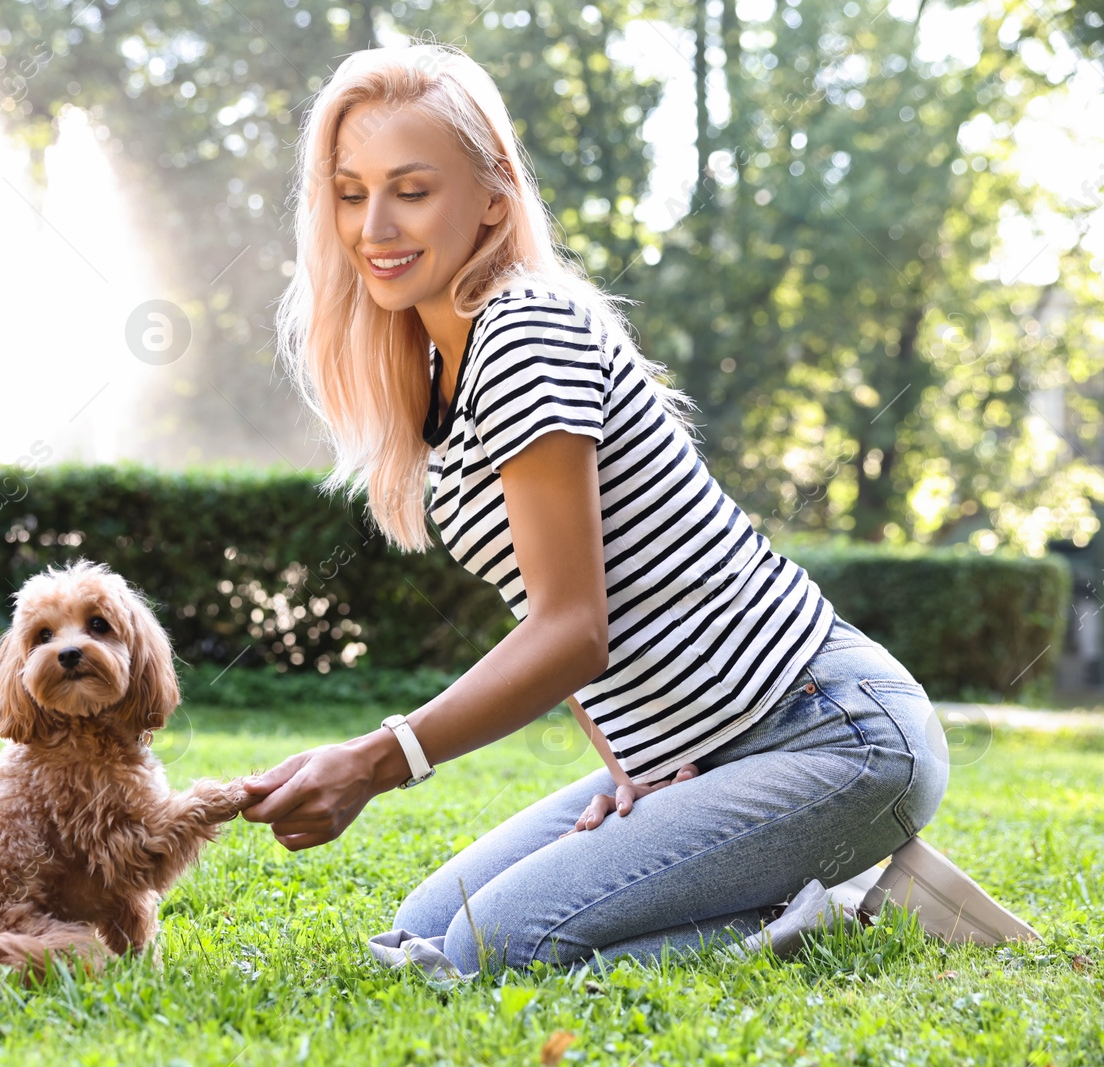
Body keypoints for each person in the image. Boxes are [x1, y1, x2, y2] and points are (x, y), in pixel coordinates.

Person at [239, 41, 1013, 976]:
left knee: (498, 947)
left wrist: (377, 758)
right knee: (425, 925)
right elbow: (550, 604)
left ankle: (857, 906)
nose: (374, 225)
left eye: (411, 188)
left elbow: (575, 631)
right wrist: (632, 770)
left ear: (493, 198)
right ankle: (789, 887)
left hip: (833, 731)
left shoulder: (524, 333)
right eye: (351, 191)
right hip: (703, 755)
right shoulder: (442, 371)